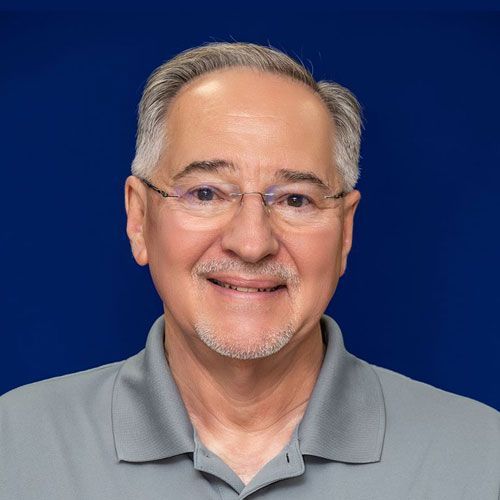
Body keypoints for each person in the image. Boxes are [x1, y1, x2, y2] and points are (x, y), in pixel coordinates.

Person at [1, 42, 498, 500]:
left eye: (296, 199)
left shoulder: (482, 459)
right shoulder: (15, 448)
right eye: (206, 193)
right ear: (138, 218)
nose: (252, 242)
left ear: (345, 231)